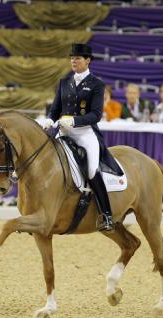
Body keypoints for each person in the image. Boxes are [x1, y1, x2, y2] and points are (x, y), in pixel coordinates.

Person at [40, 43, 122, 232]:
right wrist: (49, 120)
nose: (73, 61)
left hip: (85, 133)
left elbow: (95, 115)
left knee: (92, 169)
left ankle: (107, 215)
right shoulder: (64, 82)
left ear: (87, 61)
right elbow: (55, 110)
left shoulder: (96, 84)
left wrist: (74, 121)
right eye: (72, 58)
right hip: (64, 132)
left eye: (77, 58)